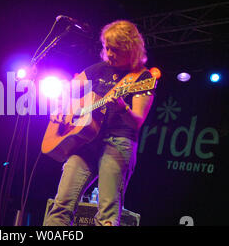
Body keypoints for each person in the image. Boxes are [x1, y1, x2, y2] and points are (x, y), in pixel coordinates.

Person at [44, 20, 155, 226]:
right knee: (60, 206)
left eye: (116, 50)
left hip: (118, 142)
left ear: (130, 50)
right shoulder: (97, 70)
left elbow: (137, 121)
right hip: (85, 143)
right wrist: (60, 110)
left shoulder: (143, 78)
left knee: (107, 216)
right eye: (107, 48)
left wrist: (123, 108)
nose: (109, 54)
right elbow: (67, 92)